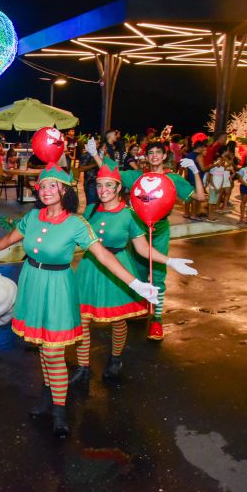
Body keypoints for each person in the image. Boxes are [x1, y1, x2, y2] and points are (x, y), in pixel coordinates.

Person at [0, 164, 158, 436]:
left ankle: (60, 410)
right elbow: (9, 239)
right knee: (39, 343)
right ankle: (48, 396)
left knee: (52, 350)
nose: (47, 190)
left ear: (65, 190)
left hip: (58, 286)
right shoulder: (33, 217)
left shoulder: (76, 223)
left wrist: (137, 284)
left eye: (53, 185)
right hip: (32, 283)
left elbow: (104, 255)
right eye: (43, 185)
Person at [72, 157, 197, 384]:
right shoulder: (90, 210)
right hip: (90, 268)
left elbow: (142, 249)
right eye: (99, 185)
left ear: (120, 187)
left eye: (109, 185)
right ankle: (83, 367)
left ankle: (115, 358)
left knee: (118, 320)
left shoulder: (130, 215)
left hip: (117, 270)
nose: (103, 190)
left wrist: (170, 261)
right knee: (82, 319)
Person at [88, 139, 205, 341]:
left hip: (159, 231)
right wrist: (95, 154)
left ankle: (157, 319)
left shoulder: (173, 180)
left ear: (165, 155)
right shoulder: (136, 177)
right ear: (146, 156)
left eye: (158, 152)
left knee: (157, 274)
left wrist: (195, 171)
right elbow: (111, 175)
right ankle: (143, 308)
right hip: (136, 230)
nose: (154, 156)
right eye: (150, 152)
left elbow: (201, 198)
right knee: (138, 271)